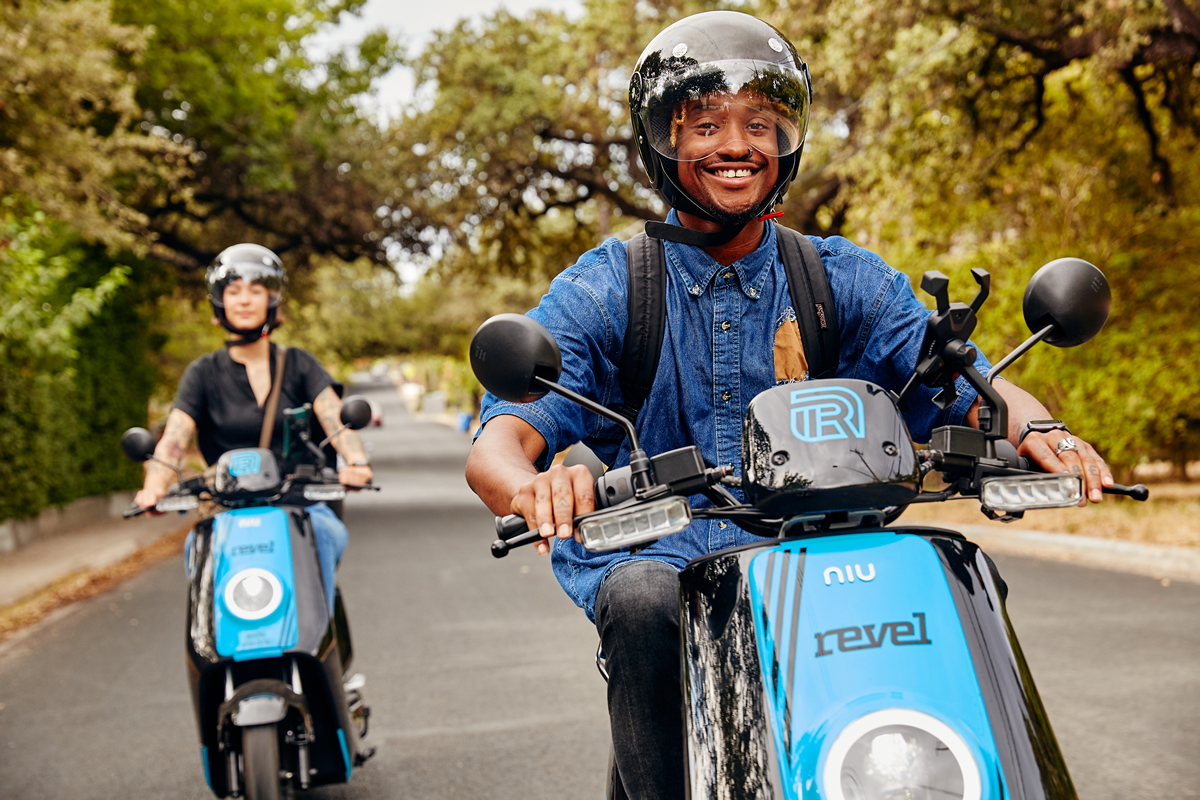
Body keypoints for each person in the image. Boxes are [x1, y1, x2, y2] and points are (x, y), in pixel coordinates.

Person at [465, 11, 1113, 799]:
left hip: (826, 549)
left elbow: (965, 379)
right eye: (705, 125)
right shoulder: (611, 286)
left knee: (952, 569)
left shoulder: (840, 277)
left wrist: (1039, 425)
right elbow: (498, 439)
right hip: (667, 554)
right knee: (637, 598)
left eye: (760, 123)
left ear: (786, 140)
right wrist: (535, 486)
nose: (736, 145)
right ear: (662, 143)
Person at [133, 243, 372, 612]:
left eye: (255, 290)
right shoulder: (203, 372)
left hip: (298, 501)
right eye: (233, 291)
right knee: (195, 551)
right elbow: (175, 438)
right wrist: (153, 488)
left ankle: (320, 646)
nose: (244, 300)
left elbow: (333, 417)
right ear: (219, 301)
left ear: (272, 299)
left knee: (326, 535)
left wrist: (356, 462)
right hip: (226, 506)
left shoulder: (298, 364)